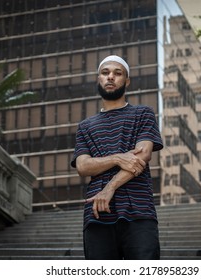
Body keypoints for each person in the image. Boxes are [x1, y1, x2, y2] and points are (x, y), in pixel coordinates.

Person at [71, 55, 163, 260]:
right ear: (98, 79)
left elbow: (142, 155)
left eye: (117, 73)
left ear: (127, 81)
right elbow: (83, 166)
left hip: (139, 213)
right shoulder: (85, 126)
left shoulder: (142, 114)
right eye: (105, 73)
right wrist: (118, 158)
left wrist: (109, 188)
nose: (110, 77)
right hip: (97, 215)